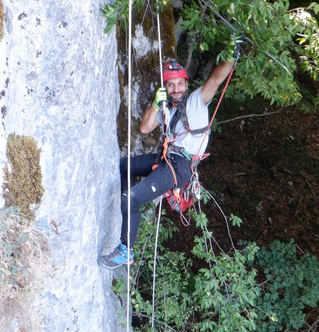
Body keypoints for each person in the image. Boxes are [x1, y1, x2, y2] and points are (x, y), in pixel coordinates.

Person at [99, 41, 240, 270]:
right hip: (166, 160)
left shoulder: (196, 101)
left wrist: (231, 57)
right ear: (165, 87)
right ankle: (129, 206)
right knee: (125, 166)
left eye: (180, 84)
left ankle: (126, 249)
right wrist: (156, 104)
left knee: (132, 198)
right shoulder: (166, 110)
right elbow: (144, 128)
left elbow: (215, 80)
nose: (176, 89)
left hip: (181, 166)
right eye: (171, 85)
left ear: (186, 84)